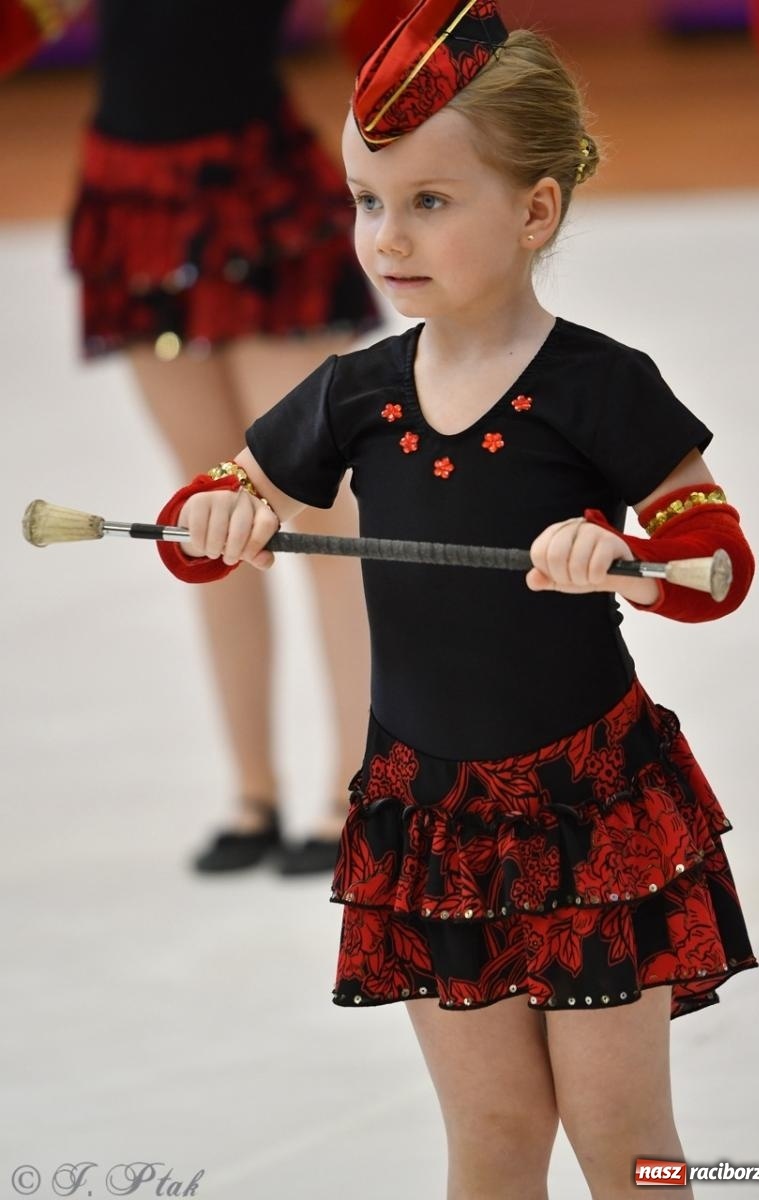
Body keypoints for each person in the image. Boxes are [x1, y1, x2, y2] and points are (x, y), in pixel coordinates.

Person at [155, 2, 758, 1195]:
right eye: (368, 202)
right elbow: (198, 519)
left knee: (622, 1140)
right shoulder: (354, 393)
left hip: (591, 820)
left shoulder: (597, 386)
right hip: (428, 827)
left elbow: (717, 561)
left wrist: (620, 553)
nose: (386, 237)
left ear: (534, 210)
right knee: (487, 1143)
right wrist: (212, 521)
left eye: (430, 201)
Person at [67, 0, 384, 875]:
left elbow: (392, 24)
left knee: (315, 505)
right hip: (134, 201)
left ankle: (355, 784)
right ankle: (253, 790)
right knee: (201, 511)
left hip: (256, 195)